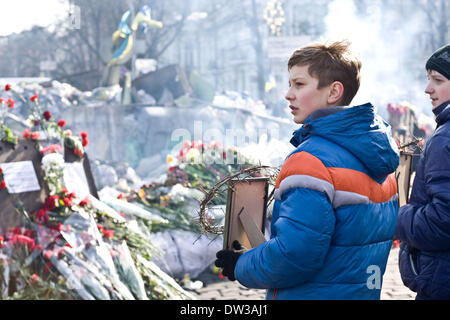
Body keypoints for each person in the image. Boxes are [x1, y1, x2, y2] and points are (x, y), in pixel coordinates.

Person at [215, 40, 400, 300]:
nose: (288, 94)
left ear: (334, 92)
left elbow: (295, 256)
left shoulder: (310, 161)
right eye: (289, 84)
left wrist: (241, 265)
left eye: (299, 84)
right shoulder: (380, 157)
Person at [395, 44, 450, 300]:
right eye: (429, 80)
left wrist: (395, 217)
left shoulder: (445, 139)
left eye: (438, 80)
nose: (428, 89)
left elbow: (443, 223)